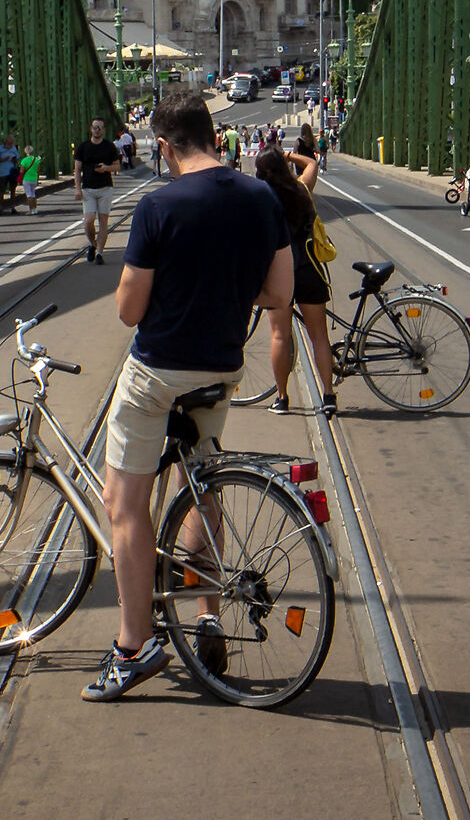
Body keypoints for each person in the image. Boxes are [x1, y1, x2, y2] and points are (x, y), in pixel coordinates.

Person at [85, 89, 293, 702]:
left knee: (125, 503)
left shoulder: (158, 206)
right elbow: (278, 293)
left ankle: (133, 645)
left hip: (158, 373)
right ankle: (206, 613)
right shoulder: (261, 197)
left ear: (168, 147)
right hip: (221, 369)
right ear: (212, 134)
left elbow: (128, 311)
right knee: (199, 486)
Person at [255, 146, 337, 417]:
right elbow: (312, 163)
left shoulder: (261, 199)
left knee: (280, 335)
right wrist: (288, 156)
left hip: (279, 276)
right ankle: (328, 394)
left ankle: (282, 398)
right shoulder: (302, 189)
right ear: (284, 167)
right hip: (309, 270)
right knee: (320, 337)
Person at [73, 116, 119, 263]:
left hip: (105, 187)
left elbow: (117, 166)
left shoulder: (109, 146)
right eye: (95, 127)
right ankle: (92, 244)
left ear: (104, 130)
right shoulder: (83, 147)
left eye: (100, 128)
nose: (97, 130)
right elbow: (77, 170)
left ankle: (99, 253)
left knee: (103, 221)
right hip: (88, 189)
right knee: (88, 220)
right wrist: (77, 189)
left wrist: (106, 168)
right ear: (91, 129)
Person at [0, 133, 22, 212]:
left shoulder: (14, 149)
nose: (11, 144)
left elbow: (17, 158)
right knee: (1, 191)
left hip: (12, 172)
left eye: (12, 143)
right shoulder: (0, 149)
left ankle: (13, 207)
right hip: (3, 172)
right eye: (9, 143)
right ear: (5, 142)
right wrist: (3, 159)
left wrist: (14, 159)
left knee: (13, 191)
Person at [19, 145, 42, 214]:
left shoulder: (24, 160)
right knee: (33, 194)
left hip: (26, 179)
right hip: (34, 179)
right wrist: (37, 180)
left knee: (29, 195)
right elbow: (38, 171)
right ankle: (35, 209)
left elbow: (21, 171)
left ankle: (31, 210)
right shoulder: (36, 160)